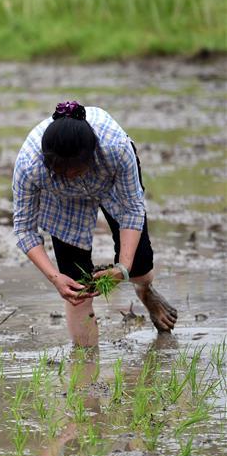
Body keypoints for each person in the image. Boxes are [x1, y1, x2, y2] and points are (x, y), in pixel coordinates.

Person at [12, 101, 178, 347]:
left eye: (76, 171)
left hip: (109, 180)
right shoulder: (30, 166)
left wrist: (123, 268)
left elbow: (132, 209)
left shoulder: (115, 149)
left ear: (92, 156)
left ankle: (145, 291)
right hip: (62, 198)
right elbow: (24, 229)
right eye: (62, 172)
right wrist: (55, 277)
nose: (70, 177)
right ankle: (85, 359)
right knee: (77, 287)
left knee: (139, 265)